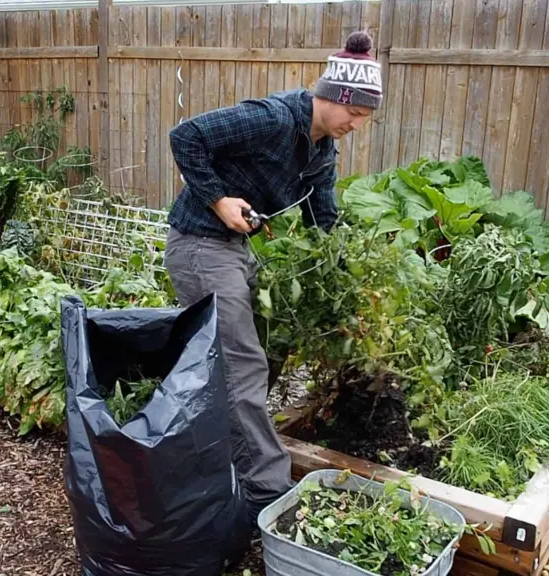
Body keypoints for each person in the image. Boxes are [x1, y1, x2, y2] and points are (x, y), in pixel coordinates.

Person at [163, 30, 384, 525]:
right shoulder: (273, 118)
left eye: (366, 118)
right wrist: (219, 199)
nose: (358, 124)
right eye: (356, 112)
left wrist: (355, 274)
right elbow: (187, 137)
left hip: (236, 249)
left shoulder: (323, 151)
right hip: (200, 246)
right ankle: (267, 490)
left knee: (267, 340)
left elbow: (323, 221)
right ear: (333, 96)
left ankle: (220, 448)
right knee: (242, 362)